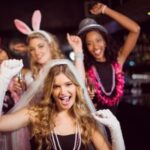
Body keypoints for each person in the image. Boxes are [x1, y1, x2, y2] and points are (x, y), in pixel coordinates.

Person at [0, 59, 125, 150]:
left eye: (68, 84)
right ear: (50, 90)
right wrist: (3, 79)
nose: (63, 92)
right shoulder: (36, 113)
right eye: (56, 86)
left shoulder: (86, 122)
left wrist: (116, 129)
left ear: (76, 87)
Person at [77, 2, 140, 114]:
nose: (95, 47)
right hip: (93, 125)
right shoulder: (84, 69)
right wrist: (86, 96)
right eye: (89, 43)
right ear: (85, 47)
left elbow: (135, 29)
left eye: (98, 40)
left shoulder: (118, 61)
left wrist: (105, 10)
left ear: (105, 41)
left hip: (113, 126)